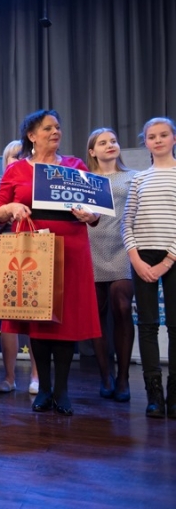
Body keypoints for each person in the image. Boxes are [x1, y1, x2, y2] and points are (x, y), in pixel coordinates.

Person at [0, 109, 102, 416]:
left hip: (71, 248)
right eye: (47, 128)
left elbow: (95, 210)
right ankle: (43, 389)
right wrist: (13, 208)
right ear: (31, 136)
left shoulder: (75, 165)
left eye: (57, 127)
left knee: (66, 320)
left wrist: (91, 215)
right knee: (37, 317)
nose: (55, 132)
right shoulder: (16, 169)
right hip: (32, 250)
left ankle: (62, 390)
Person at [121, 117, 176, 419]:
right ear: (145, 142)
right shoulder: (139, 179)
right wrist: (135, 258)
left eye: (163, 135)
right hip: (142, 257)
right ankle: (154, 394)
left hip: (173, 257)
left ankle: (174, 393)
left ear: (173, 138)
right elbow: (127, 222)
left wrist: (167, 261)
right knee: (147, 324)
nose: (157, 140)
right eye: (152, 136)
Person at [85, 128, 136, 403]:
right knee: (97, 314)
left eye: (113, 141)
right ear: (92, 151)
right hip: (91, 248)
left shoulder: (134, 177)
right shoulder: (85, 179)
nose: (110, 145)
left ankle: (123, 377)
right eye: (103, 142)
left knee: (122, 307)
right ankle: (106, 376)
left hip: (123, 248)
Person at [0, 140, 39, 395]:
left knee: (35, 313)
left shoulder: (34, 182)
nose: (17, 159)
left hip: (34, 251)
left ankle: (36, 375)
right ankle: (9, 376)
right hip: (5, 253)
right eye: (13, 156)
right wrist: (4, 215)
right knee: (8, 317)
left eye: (22, 155)